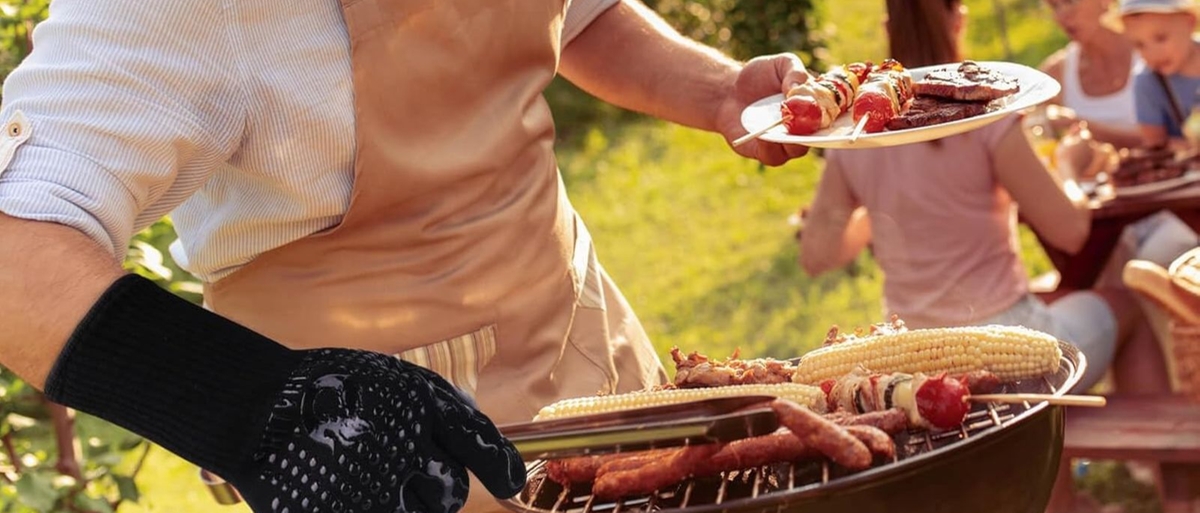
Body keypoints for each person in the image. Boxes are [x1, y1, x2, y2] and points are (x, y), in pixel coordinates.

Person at [0, 1, 812, 512]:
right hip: (391, 458)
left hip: (586, 349)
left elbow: (578, 12)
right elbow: (14, 248)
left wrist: (712, 91)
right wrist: (264, 413)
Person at [798, 0, 1192, 395]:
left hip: (909, 357)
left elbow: (817, 255)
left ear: (887, 26)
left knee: (1066, 292)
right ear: (960, 20)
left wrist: (884, 209)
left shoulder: (856, 131)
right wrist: (1071, 165)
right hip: (1003, 338)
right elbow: (1070, 231)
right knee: (1128, 307)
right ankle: (1155, 452)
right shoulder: (985, 117)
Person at [1039, 0, 1146, 149]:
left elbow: (1171, 139)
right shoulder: (1054, 74)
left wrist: (1082, 126)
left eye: (1069, 2)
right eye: (1054, 6)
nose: (1062, 15)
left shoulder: (1148, 52)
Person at [1120, 0, 1200, 147]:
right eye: (1140, 45)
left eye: (1161, 38)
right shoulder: (1147, 81)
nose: (1153, 54)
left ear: (1190, 22)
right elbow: (1156, 143)